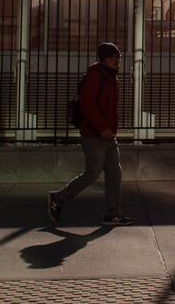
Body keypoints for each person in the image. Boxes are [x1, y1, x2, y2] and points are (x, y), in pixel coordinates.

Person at [47, 42, 132, 226]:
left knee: (114, 173)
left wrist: (110, 130)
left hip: (108, 135)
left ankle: (112, 214)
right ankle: (58, 199)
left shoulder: (110, 77)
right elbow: (87, 105)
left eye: (118, 56)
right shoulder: (95, 77)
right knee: (92, 173)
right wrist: (103, 128)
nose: (117, 60)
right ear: (103, 59)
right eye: (112, 57)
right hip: (94, 135)